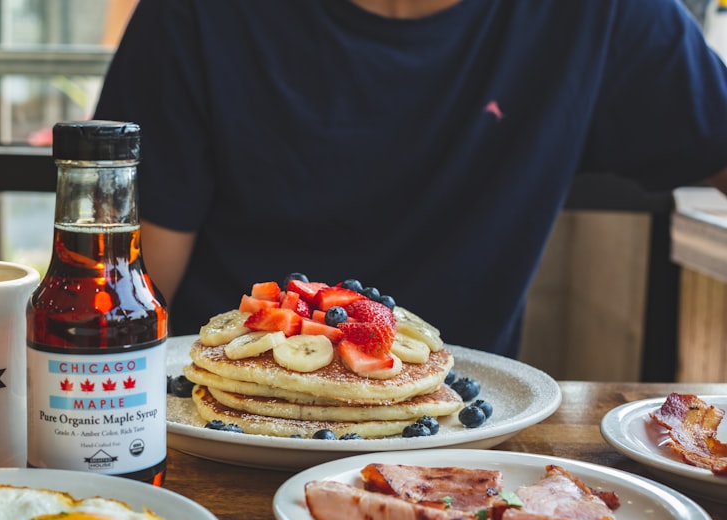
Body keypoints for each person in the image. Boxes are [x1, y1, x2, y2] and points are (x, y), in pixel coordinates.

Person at [93, 0, 727, 357]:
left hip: (466, 437)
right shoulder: (191, 16)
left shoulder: (601, 12)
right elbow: (121, 296)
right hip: (225, 430)